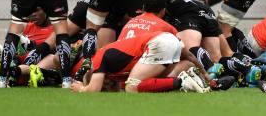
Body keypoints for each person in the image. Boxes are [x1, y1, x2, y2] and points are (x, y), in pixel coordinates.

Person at [70, 31, 208, 93]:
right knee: (151, 83)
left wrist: (82, 89)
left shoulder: (98, 58)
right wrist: (206, 76)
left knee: (132, 87)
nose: (104, 84)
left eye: (102, 84)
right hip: (168, 40)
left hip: (158, 43)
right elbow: (189, 55)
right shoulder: (114, 65)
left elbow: (93, 89)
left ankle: (183, 82)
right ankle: (186, 81)